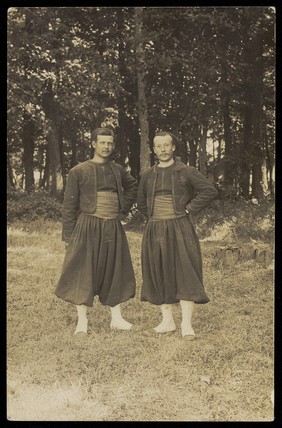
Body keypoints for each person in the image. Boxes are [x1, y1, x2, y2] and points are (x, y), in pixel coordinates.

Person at [55, 127, 138, 335]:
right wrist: (68, 235)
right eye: (102, 142)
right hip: (87, 226)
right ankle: (82, 321)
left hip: (112, 225)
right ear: (93, 144)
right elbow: (69, 206)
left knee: (115, 268)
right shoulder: (78, 171)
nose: (106, 146)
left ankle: (117, 318)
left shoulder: (118, 170)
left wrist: (122, 209)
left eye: (110, 143)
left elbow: (133, 187)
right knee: (83, 271)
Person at [137, 131, 218, 340]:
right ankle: (167, 321)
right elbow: (141, 203)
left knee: (185, 271)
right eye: (159, 146)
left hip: (180, 227)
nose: (163, 150)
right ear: (154, 150)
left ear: (173, 147)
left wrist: (188, 209)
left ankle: (187, 325)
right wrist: (156, 219)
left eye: (167, 145)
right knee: (159, 271)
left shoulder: (186, 171)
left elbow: (209, 190)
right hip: (155, 229)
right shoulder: (147, 175)